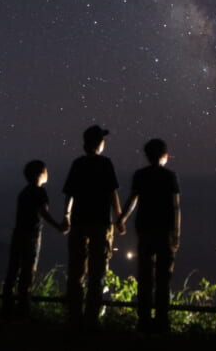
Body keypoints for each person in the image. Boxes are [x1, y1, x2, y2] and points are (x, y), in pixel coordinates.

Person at [62, 124, 122, 329]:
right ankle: (91, 319)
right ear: (100, 143)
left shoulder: (77, 164)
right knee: (98, 272)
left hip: (79, 223)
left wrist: (66, 216)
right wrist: (120, 218)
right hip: (100, 223)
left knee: (76, 270)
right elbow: (113, 193)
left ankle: (74, 316)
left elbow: (70, 192)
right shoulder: (106, 164)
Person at [119, 138, 181, 334]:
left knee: (145, 277)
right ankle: (162, 321)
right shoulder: (171, 176)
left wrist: (121, 218)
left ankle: (143, 320)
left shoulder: (140, 175)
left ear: (147, 155)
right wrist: (177, 233)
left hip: (144, 231)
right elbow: (175, 206)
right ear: (165, 155)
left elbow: (132, 200)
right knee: (164, 279)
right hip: (165, 233)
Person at [1, 159, 66, 317]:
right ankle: (23, 309)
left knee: (13, 270)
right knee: (27, 272)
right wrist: (58, 226)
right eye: (46, 170)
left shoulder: (24, 192)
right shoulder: (40, 192)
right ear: (41, 174)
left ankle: (7, 307)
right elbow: (43, 213)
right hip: (31, 236)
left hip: (18, 234)